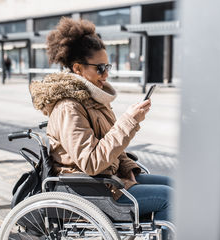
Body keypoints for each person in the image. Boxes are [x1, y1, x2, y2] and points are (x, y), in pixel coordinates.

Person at [29, 18, 172, 239]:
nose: (106, 75)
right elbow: (91, 162)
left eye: (108, 67)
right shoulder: (69, 107)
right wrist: (128, 121)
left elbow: (113, 147)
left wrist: (129, 170)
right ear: (78, 68)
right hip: (90, 189)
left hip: (110, 181)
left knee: (172, 184)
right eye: (100, 68)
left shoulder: (93, 100)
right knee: (168, 197)